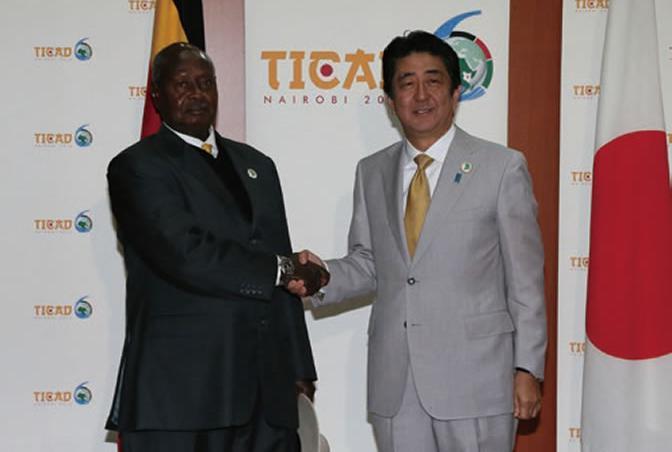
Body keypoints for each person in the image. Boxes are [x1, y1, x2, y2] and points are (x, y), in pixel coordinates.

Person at [296, 31, 547, 452]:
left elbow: (526, 280)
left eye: (433, 80)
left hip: (478, 380)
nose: (421, 95)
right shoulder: (371, 171)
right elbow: (369, 263)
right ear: (390, 100)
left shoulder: (502, 167)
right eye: (407, 83)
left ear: (455, 91)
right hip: (397, 384)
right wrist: (321, 277)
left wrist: (528, 367)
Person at [105, 42, 321, 452]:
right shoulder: (137, 167)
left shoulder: (258, 165)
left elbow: (278, 254)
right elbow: (185, 253)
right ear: (157, 95)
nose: (196, 94)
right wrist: (283, 269)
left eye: (206, 83)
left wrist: (298, 367)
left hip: (266, 395)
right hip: (181, 392)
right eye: (182, 84)